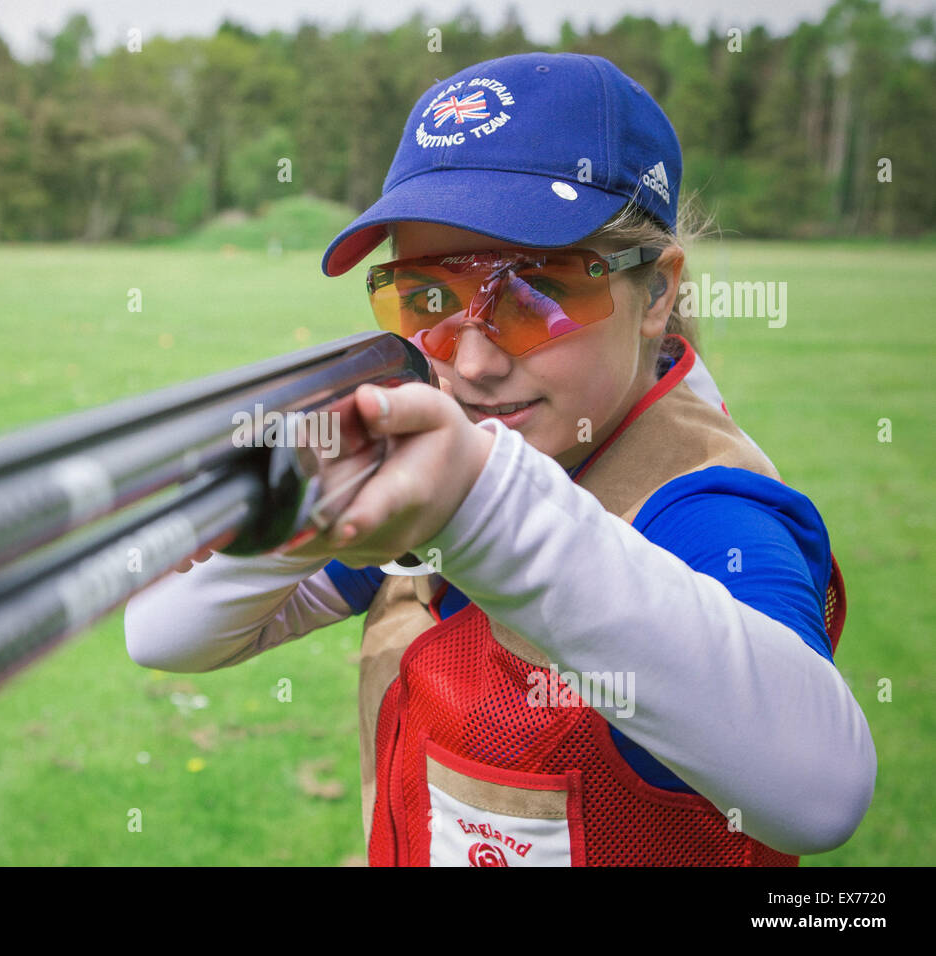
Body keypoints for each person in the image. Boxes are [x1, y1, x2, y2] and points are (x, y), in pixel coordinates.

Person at [124, 52, 876, 866]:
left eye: (537, 293)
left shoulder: (705, 511)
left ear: (655, 293)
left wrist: (484, 512)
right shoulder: (433, 461)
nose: (472, 363)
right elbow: (165, 633)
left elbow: (823, 793)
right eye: (428, 300)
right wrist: (308, 499)